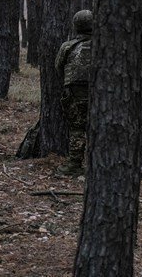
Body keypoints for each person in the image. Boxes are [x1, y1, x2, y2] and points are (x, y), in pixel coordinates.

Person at [54, 10, 93, 176]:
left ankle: (74, 163)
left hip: (75, 92)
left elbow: (59, 67)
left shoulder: (67, 46)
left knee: (77, 128)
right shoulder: (104, 46)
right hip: (99, 93)